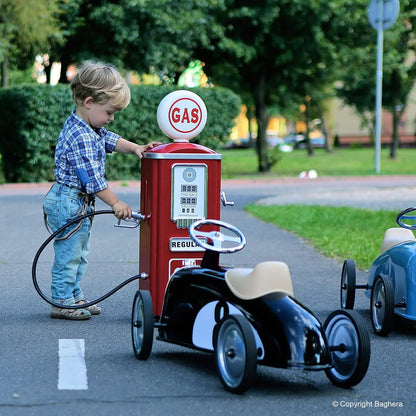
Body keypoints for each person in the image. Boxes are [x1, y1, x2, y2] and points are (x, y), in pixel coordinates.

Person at [43, 60, 160, 320]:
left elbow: (110, 139)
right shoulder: (81, 136)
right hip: (69, 201)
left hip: (78, 203)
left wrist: (136, 148)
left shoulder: (91, 127)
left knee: (79, 252)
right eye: (109, 112)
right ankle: (61, 301)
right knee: (69, 254)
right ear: (88, 102)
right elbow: (93, 181)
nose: (111, 118)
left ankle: (74, 296)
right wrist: (116, 203)